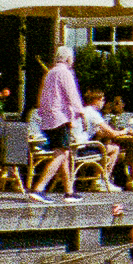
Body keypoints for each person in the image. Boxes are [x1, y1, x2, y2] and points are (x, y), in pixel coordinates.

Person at [31, 44, 88, 195]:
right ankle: (39, 188)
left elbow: (42, 97)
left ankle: (69, 191)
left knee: (64, 153)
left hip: (49, 118)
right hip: (60, 118)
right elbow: (72, 95)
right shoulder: (65, 73)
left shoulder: (50, 73)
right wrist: (81, 113)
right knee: (61, 154)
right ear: (68, 58)